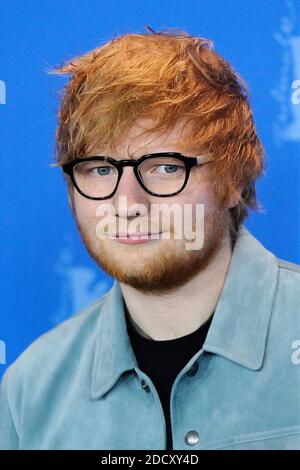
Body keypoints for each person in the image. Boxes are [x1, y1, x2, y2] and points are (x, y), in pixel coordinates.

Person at [1, 26, 299, 451]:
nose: (127, 203)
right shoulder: (30, 390)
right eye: (100, 169)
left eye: (165, 166)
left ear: (232, 178)